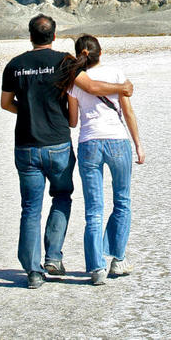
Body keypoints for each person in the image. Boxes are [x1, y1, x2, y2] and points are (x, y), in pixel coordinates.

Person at [1, 14, 133, 289]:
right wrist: (122, 87)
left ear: (30, 36)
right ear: (54, 36)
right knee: (61, 196)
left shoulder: (15, 65)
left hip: (25, 146)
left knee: (30, 209)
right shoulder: (63, 62)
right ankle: (53, 256)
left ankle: (33, 272)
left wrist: (25, 112)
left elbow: (5, 103)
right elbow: (93, 87)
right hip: (58, 144)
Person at [60, 34, 145, 286]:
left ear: (79, 56)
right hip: (118, 141)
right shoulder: (117, 75)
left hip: (88, 144)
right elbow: (128, 112)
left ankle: (96, 267)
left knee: (93, 209)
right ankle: (118, 259)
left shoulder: (74, 81)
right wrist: (138, 144)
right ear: (101, 52)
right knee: (122, 200)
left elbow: (73, 121)